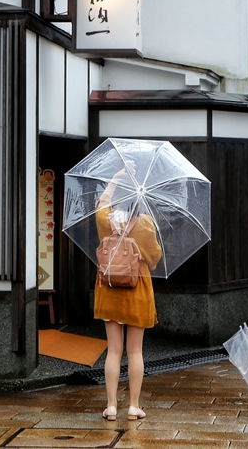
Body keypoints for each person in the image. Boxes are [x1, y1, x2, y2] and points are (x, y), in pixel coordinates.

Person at [95, 170, 162, 422]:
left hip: (109, 288)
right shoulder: (144, 223)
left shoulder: (106, 218)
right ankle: (133, 406)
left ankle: (111, 406)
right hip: (138, 290)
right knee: (135, 351)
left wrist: (115, 180)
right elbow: (154, 257)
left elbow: (102, 203)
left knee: (114, 350)